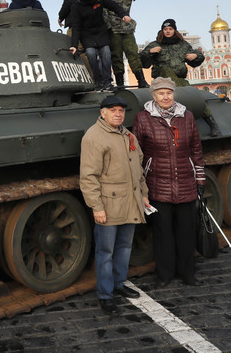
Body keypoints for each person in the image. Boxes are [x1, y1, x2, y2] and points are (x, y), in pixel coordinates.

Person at [132, 77, 206, 288]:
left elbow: (196, 149)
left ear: (173, 94)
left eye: (169, 93)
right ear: (153, 96)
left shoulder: (187, 117)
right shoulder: (143, 118)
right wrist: (141, 183)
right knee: (163, 233)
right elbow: (137, 153)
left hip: (185, 182)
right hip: (158, 184)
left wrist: (200, 178)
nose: (165, 97)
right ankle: (164, 274)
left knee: (186, 232)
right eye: (161, 93)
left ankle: (187, 272)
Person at [79, 96, 150, 315]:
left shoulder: (127, 135)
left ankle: (119, 284)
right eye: (113, 110)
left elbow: (138, 169)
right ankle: (105, 294)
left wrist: (144, 196)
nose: (118, 114)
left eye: (121, 110)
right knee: (105, 251)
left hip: (130, 201)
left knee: (124, 247)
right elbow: (88, 176)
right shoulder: (94, 136)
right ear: (103, 113)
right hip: (109, 204)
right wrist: (96, 207)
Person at [67, 0, 130, 92]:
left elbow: (113, 6)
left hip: (100, 31)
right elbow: (76, 27)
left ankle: (107, 81)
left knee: (106, 53)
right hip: (87, 34)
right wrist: (74, 45)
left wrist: (123, 14)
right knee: (91, 54)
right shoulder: (76, 5)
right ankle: (98, 81)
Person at [99, 0, 149, 89]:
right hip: (113, 28)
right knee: (116, 56)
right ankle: (120, 84)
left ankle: (141, 81)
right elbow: (102, 8)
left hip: (126, 28)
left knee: (133, 53)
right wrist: (108, 25)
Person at [138, 19, 205, 87]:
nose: (168, 31)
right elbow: (142, 62)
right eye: (165, 29)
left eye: (170, 29)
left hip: (179, 80)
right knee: (164, 69)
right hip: (161, 81)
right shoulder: (155, 45)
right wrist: (149, 52)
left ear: (174, 31)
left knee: (188, 91)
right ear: (162, 31)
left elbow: (198, 60)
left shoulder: (183, 45)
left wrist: (196, 55)